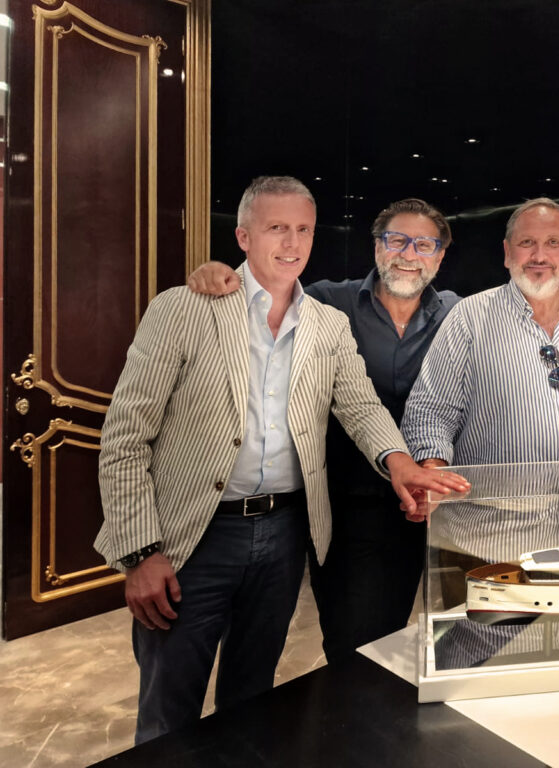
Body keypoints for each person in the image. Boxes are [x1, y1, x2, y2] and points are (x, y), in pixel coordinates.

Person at [95, 177, 466, 743]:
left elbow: (360, 406)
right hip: (193, 538)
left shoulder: (326, 322)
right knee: (170, 709)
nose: (291, 243)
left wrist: (399, 461)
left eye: (303, 230)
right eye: (276, 228)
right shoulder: (184, 308)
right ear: (243, 236)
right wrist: (140, 551)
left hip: (285, 534)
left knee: (254, 699)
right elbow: (125, 436)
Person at [186, 198, 559, 662]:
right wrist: (219, 273)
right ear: (376, 245)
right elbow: (265, 291)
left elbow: (525, 297)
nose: (409, 254)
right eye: (397, 240)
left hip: (442, 510)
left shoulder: (457, 313)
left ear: (440, 256)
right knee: (360, 647)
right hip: (355, 512)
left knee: (452, 638)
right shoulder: (327, 302)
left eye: (425, 245)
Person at [401, 197, 559, 469]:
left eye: (553, 243)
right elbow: (429, 413)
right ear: (507, 252)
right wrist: (434, 473)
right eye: (527, 242)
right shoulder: (469, 317)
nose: (539, 256)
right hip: (492, 497)